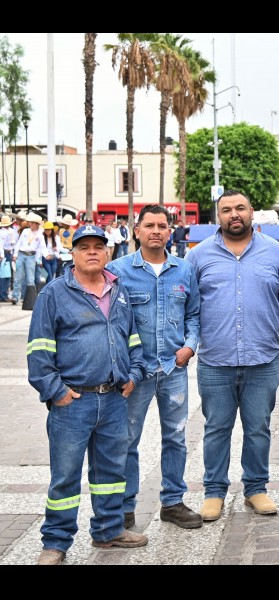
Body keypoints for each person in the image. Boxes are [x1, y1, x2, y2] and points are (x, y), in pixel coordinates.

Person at [26, 223, 149, 565]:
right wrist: (57, 392)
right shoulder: (54, 294)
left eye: (98, 246)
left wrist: (135, 374)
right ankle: (55, 542)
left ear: (108, 252)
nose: (92, 252)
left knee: (111, 472)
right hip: (73, 403)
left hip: (113, 399)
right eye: (84, 247)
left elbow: (132, 338)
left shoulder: (118, 290)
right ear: (74, 253)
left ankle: (109, 530)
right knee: (65, 477)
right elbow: (38, 350)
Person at [186, 189, 279, 522]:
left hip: (262, 358)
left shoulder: (276, 253)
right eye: (227, 210)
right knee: (216, 428)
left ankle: (255, 489)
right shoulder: (198, 256)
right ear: (217, 216)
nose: (234, 214)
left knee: (258, 428)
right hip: (215, 361)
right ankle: (214, 492)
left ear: (252, 212)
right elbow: (188, 305)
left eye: (241, 208)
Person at [106, 205, 202, 531]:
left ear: (170, 231)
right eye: (149, 225)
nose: (156, 231)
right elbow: (110, 320)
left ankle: (173, 502)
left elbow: (194, 315)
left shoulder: (184, 270)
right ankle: (124, 507)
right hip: (135, 373)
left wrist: (190, 346)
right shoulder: (118, 270)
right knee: (127, 439)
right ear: (137, 231)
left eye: (162, 225)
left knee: (175, 437)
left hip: (173, 369)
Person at [11, 212, 45, 305]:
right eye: (31, 222)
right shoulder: (26, 231)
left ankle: (29, 297)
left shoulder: (40, 235)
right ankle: (15, 297)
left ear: (37, 224)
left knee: (30, 278)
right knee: (18, 277)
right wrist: (15, 254)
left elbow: (41, 248)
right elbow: (19, 243)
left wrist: (39, 259)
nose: (31, 224)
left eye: (33, 223)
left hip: (31, 256)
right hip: (21, 254)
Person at [0, 215, 14, 301]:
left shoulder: (9, 231)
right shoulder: (2, 233)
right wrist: (2, 255)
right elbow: (1, 245)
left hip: (8, 253)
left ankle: (4, 294)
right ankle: (3, 295)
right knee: (4, 275)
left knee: (6, 274)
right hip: (5, 253)